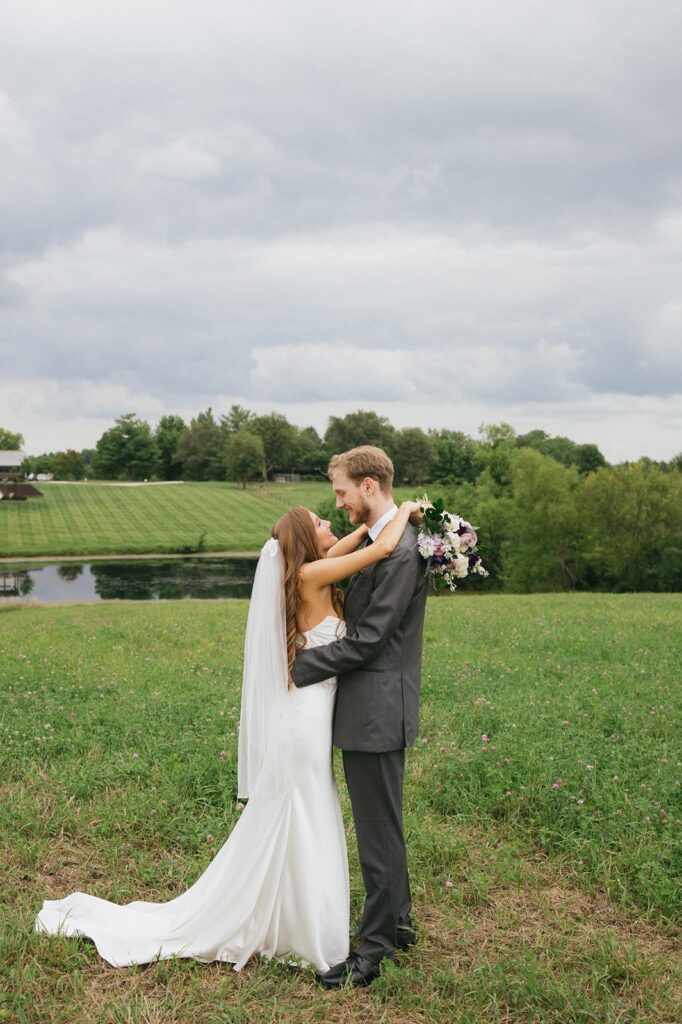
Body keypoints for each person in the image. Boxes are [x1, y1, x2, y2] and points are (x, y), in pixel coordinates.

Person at [34, 495, 421, 975]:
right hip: (304, 720)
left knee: (307, 809)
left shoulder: (312, 569)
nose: (330, 523)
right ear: (305, 542)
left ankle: (296, 917)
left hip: (312, 713)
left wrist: (368, 526)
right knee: (304, 810)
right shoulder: (310, 576)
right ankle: (301, 927)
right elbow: (381, 551)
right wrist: (402, 512)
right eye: (321, 522)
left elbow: (353, 543)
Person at [291, 445, 428, 989]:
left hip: (376, 709)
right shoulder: (384, 540)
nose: (341, 503)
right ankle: (399, 924)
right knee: (384, 826)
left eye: (343, 492)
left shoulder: (398, 552)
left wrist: (302, 666)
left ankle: (374, 951)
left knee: (377, 833)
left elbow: (370, 640)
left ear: (369, 486)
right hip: (373, 706)